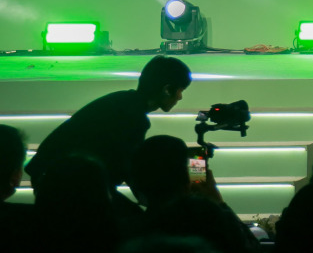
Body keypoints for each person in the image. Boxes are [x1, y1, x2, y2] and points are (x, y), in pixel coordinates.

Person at [25, 56, 190, 187]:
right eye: (180, 90)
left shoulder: (122, 102)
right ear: (167, 89)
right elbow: (128, 169)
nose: (180, 97)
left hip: (50, 177)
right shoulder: (134, 118)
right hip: (63, 183)